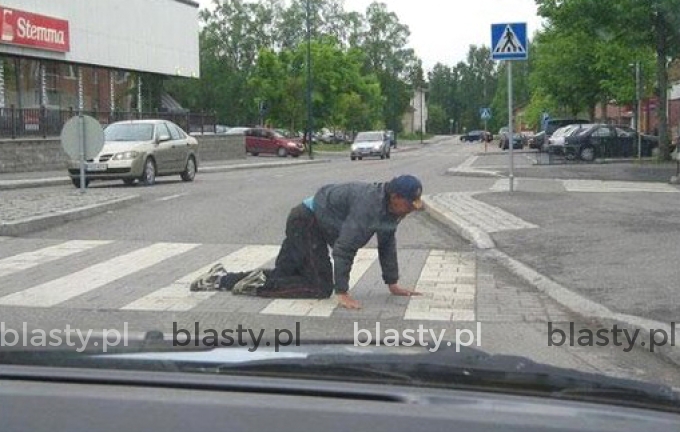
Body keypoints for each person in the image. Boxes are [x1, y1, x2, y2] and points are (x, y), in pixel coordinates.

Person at [189, 175, 425, 309]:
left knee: (284, 275)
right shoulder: (369, 205)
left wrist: (392, 283)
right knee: (320, 287)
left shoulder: (391, 211)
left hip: (314, 222)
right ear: (395, 197)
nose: (411, 210)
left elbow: (386, 243)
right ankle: (255, 286)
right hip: (306, 221)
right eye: (409, 205)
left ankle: (219, 279)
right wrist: (341, 291)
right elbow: (344, 248)